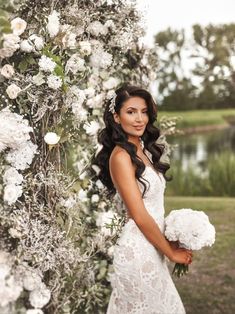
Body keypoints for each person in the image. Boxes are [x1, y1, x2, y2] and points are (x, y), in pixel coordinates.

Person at [92, 84, 193, 314]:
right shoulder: (121, 157)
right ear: (116, 117)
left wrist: (172, 240)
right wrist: (171, 252)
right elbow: (138, 214)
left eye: (144, 111)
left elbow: (154, 207)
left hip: (152, 247)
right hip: (138, 252)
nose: (139, 119)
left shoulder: (145, 150)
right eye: (131, 112)